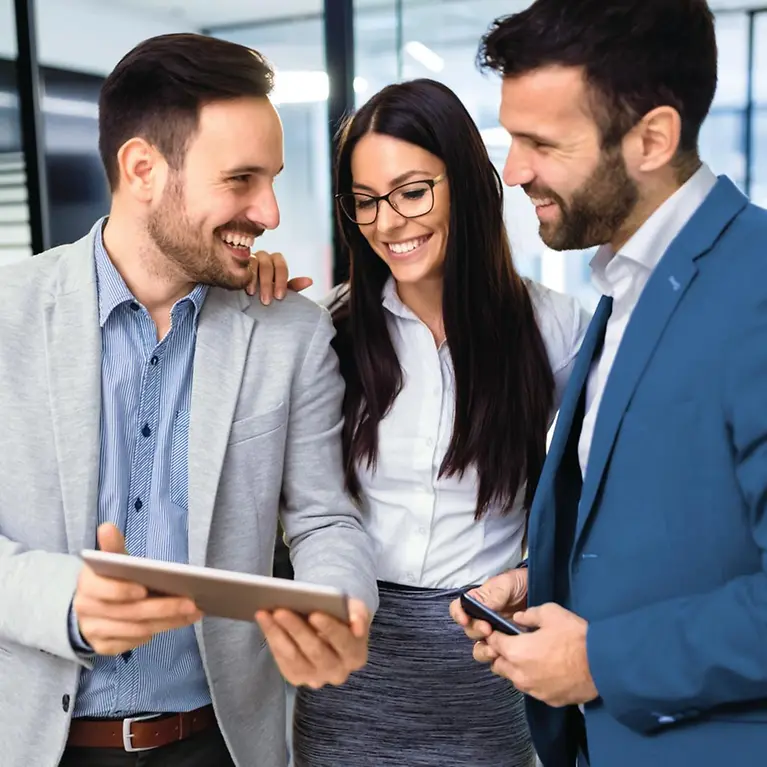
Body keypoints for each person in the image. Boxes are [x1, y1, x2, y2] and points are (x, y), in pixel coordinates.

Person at [0, 33, 378, 767]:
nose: (269, 210)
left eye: (270, 177)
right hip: (35, 742)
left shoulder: (287, 330)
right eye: (240, 180)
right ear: (142, 169)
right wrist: (65, 598)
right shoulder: (6, 315)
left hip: (220, 742)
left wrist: (337, 601)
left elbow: (325, 515)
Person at [450, 1, 767, 766]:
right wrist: (550, 584)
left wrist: (601, 657)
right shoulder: (628, 284)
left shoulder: (755, 285)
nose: (511, 169)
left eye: (540, 143)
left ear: (652, 138)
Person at [282, 78, 589, 767]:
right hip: (352, 667)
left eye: (412, 191)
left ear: (466, 183)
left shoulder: (555, 329)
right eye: (364, 202)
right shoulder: (326, 329)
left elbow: (597, 501)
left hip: (483, 665)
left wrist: (535, 575)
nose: (389, 223)